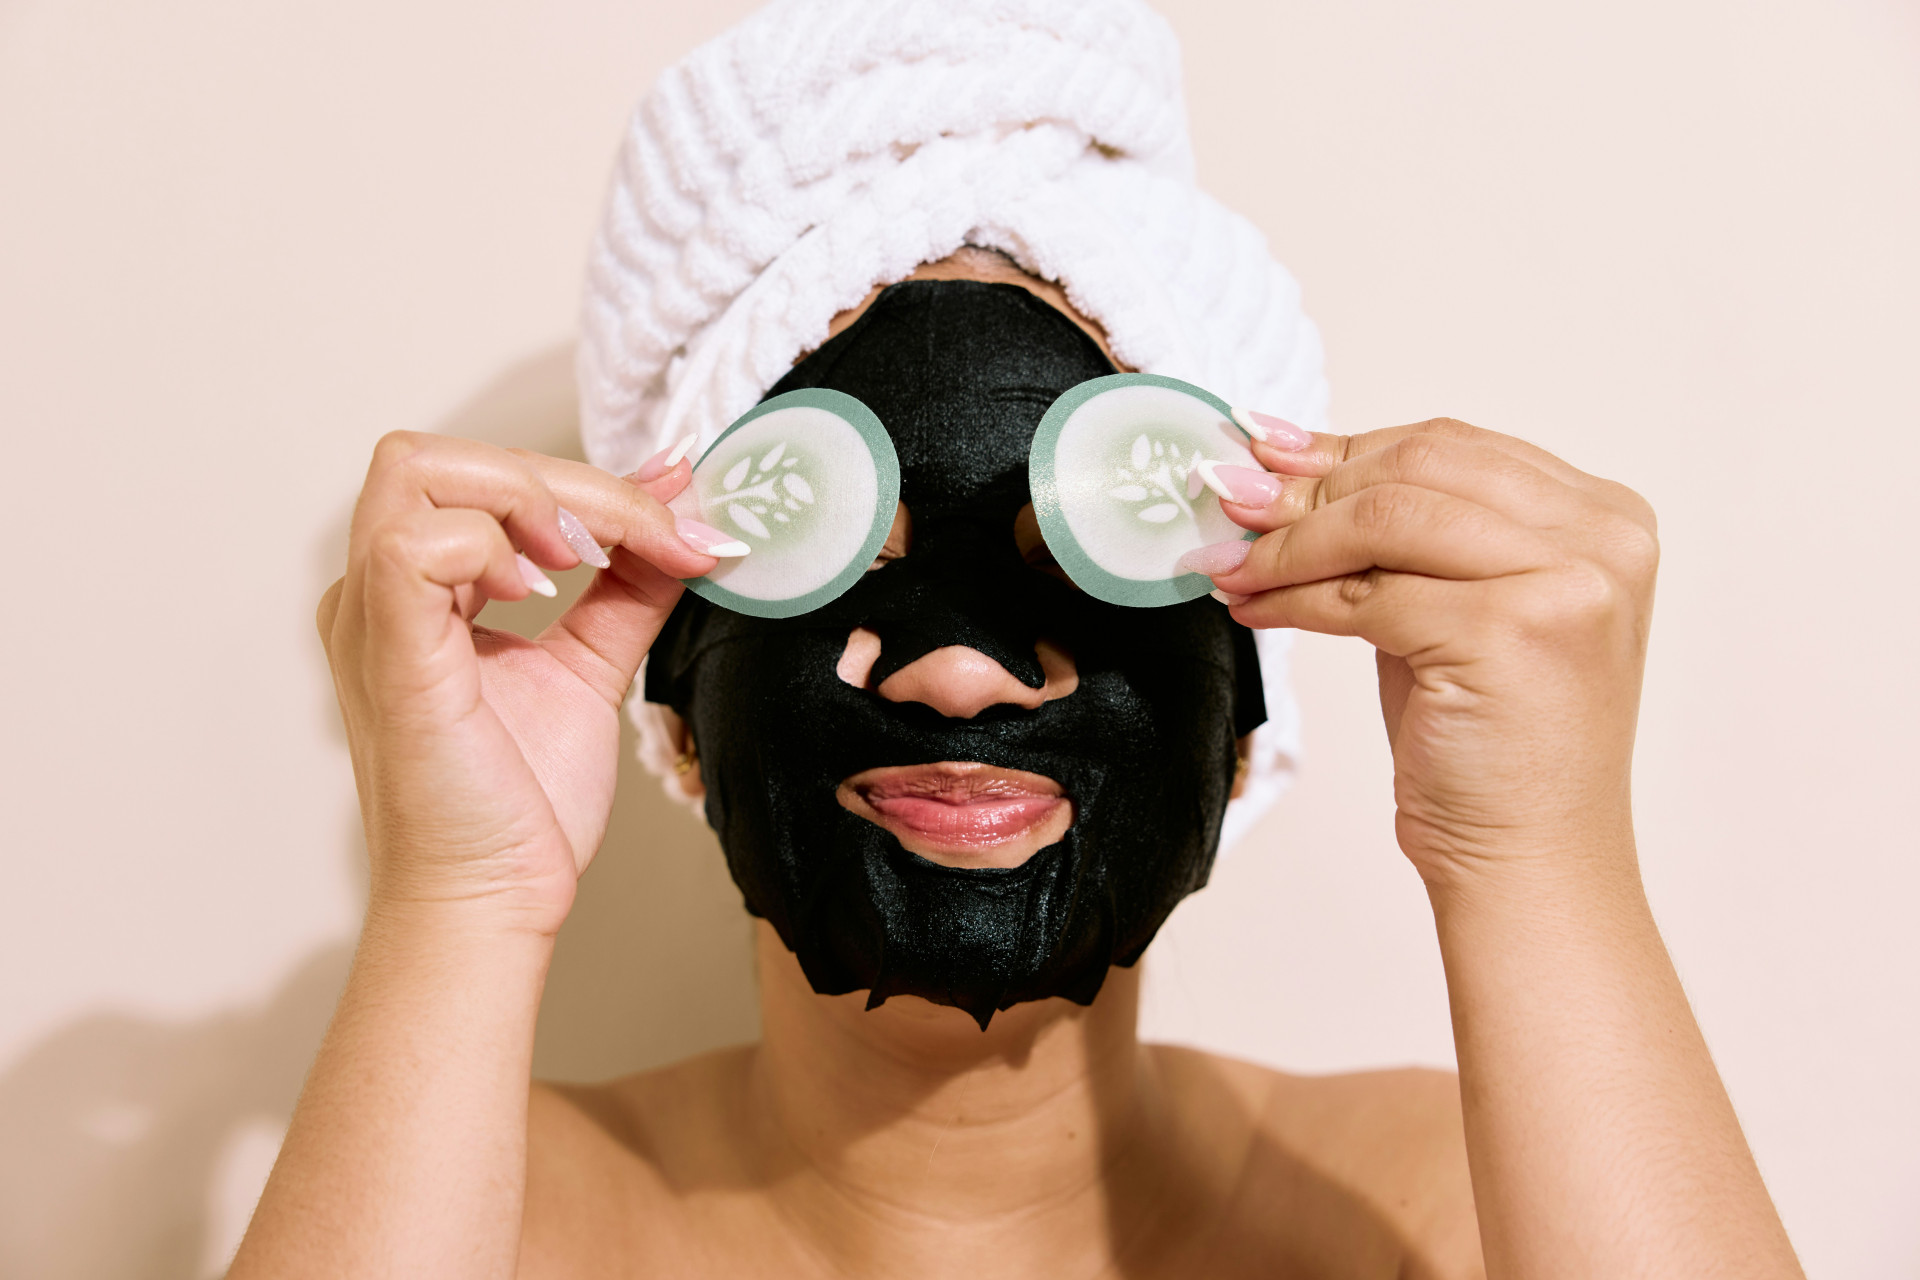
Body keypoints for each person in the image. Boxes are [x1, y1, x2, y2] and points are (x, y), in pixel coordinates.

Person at [231, 4, 1804, 1277]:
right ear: (677, 693)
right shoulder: (485, 1229)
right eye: (842, 556)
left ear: (1253, 696)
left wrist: (1536, 858)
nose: (960, 670)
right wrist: (462, 902)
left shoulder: (1443, 1218)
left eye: (1083, 563)